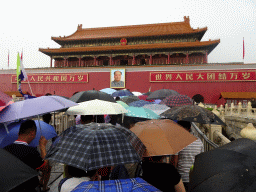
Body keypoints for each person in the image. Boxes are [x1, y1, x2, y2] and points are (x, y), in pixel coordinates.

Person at [4, 120, 49, 192]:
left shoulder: (5, 149)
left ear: (19, 133)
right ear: (32, 133)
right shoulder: (31, 152)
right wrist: (43, 147)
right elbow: (45, 168)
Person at [172, 121, 204, 191]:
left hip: (182, 177)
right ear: (189, 128)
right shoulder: (199, 141)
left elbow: (175, 162)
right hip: (194, 177)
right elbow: (201, 160)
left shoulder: (177, 141)